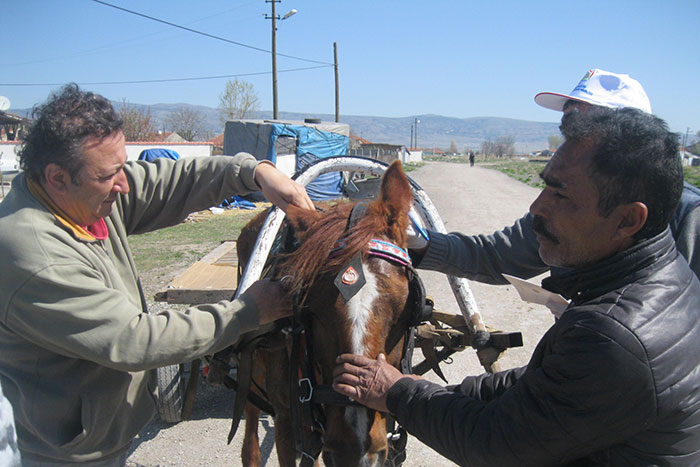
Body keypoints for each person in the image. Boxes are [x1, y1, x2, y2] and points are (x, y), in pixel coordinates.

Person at [334, 107, 700, 466]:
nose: (537, 206)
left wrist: (397, 393)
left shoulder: (616, 336)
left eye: (561, 195)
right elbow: (543, 387)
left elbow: (497, 443)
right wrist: (421, 389)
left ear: (628, 219)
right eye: (544, 186)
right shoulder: (666, 280)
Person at [0, 83, 314, 465]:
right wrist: (247, 311)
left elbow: (170, 181)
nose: (125, 184)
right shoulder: (34, 256)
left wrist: (255, 172)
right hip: (68, 454)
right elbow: (135, 340)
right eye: (110, 174)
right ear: (57, 177)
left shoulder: (77, 197)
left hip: (102, 434)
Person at [409, 69, 700, 281]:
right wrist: (421, 243)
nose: (570, 136)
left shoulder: (690, 218)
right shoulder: (560, 207)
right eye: (567, 124)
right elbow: (498, 255)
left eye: (583, 125)